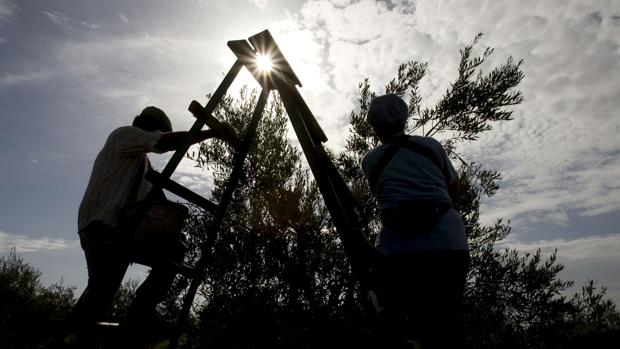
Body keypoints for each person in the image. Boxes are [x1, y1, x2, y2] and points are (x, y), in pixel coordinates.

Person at [65, 106, 237, 348]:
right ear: (145, 126)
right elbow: (166, 143)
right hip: (100, 225)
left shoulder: (143, 165)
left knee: (172, 254)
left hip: (122, 233)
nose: (155, 135)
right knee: (101, 291)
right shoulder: (123, 135)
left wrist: (182, 219)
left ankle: (140, 312)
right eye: (155, 130)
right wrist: (210, 134)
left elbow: (156, 200)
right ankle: (71, 337)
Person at [361, 94, 470, 348]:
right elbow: (455, 187)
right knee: (448, 324)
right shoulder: (431, 146)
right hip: (448, 245)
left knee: (407, 325)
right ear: (404, 119)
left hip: (400, 253)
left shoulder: (370, 161)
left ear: (374, 127)